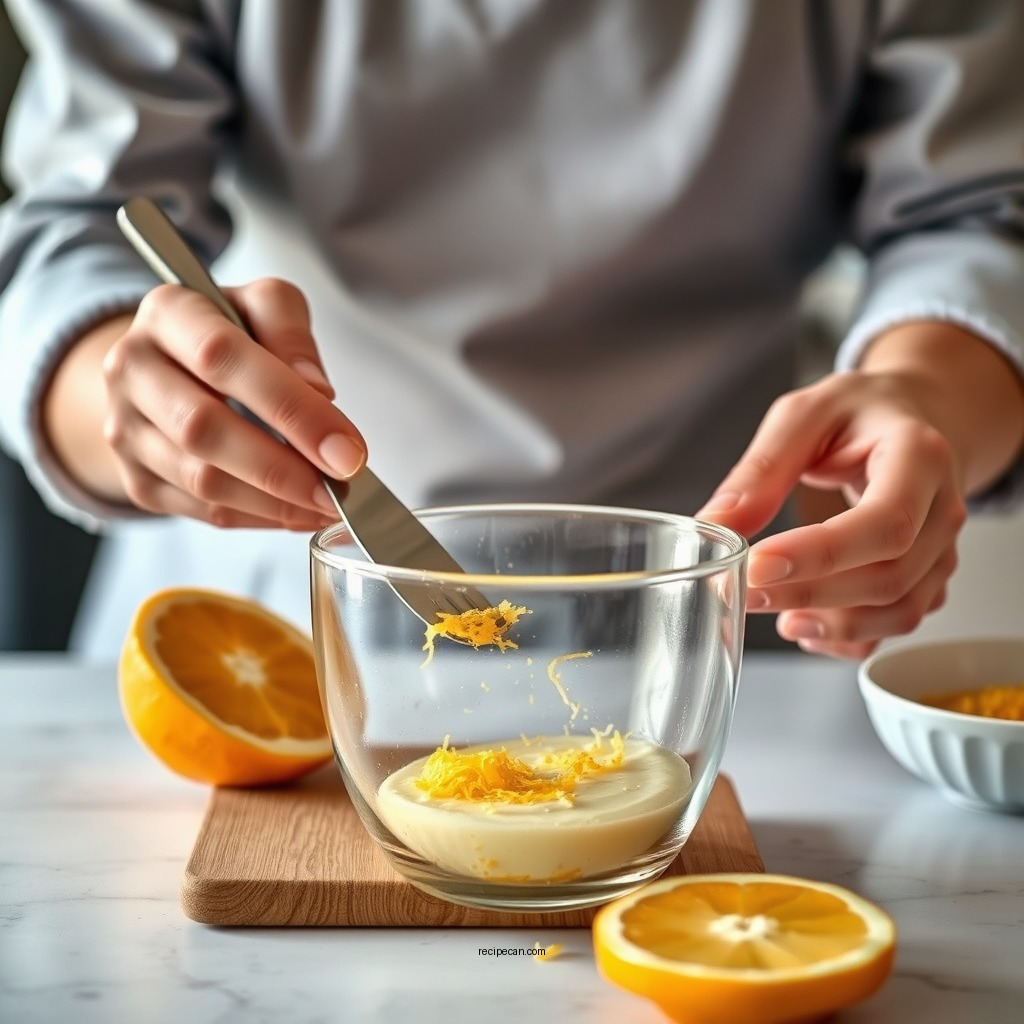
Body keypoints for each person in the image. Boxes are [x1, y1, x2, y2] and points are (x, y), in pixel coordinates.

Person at [1, 0, 1022, 661]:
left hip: (707, 637)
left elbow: (977, 216)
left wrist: (925, 398)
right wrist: (125, 400)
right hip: (267, 622)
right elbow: (74, 228)